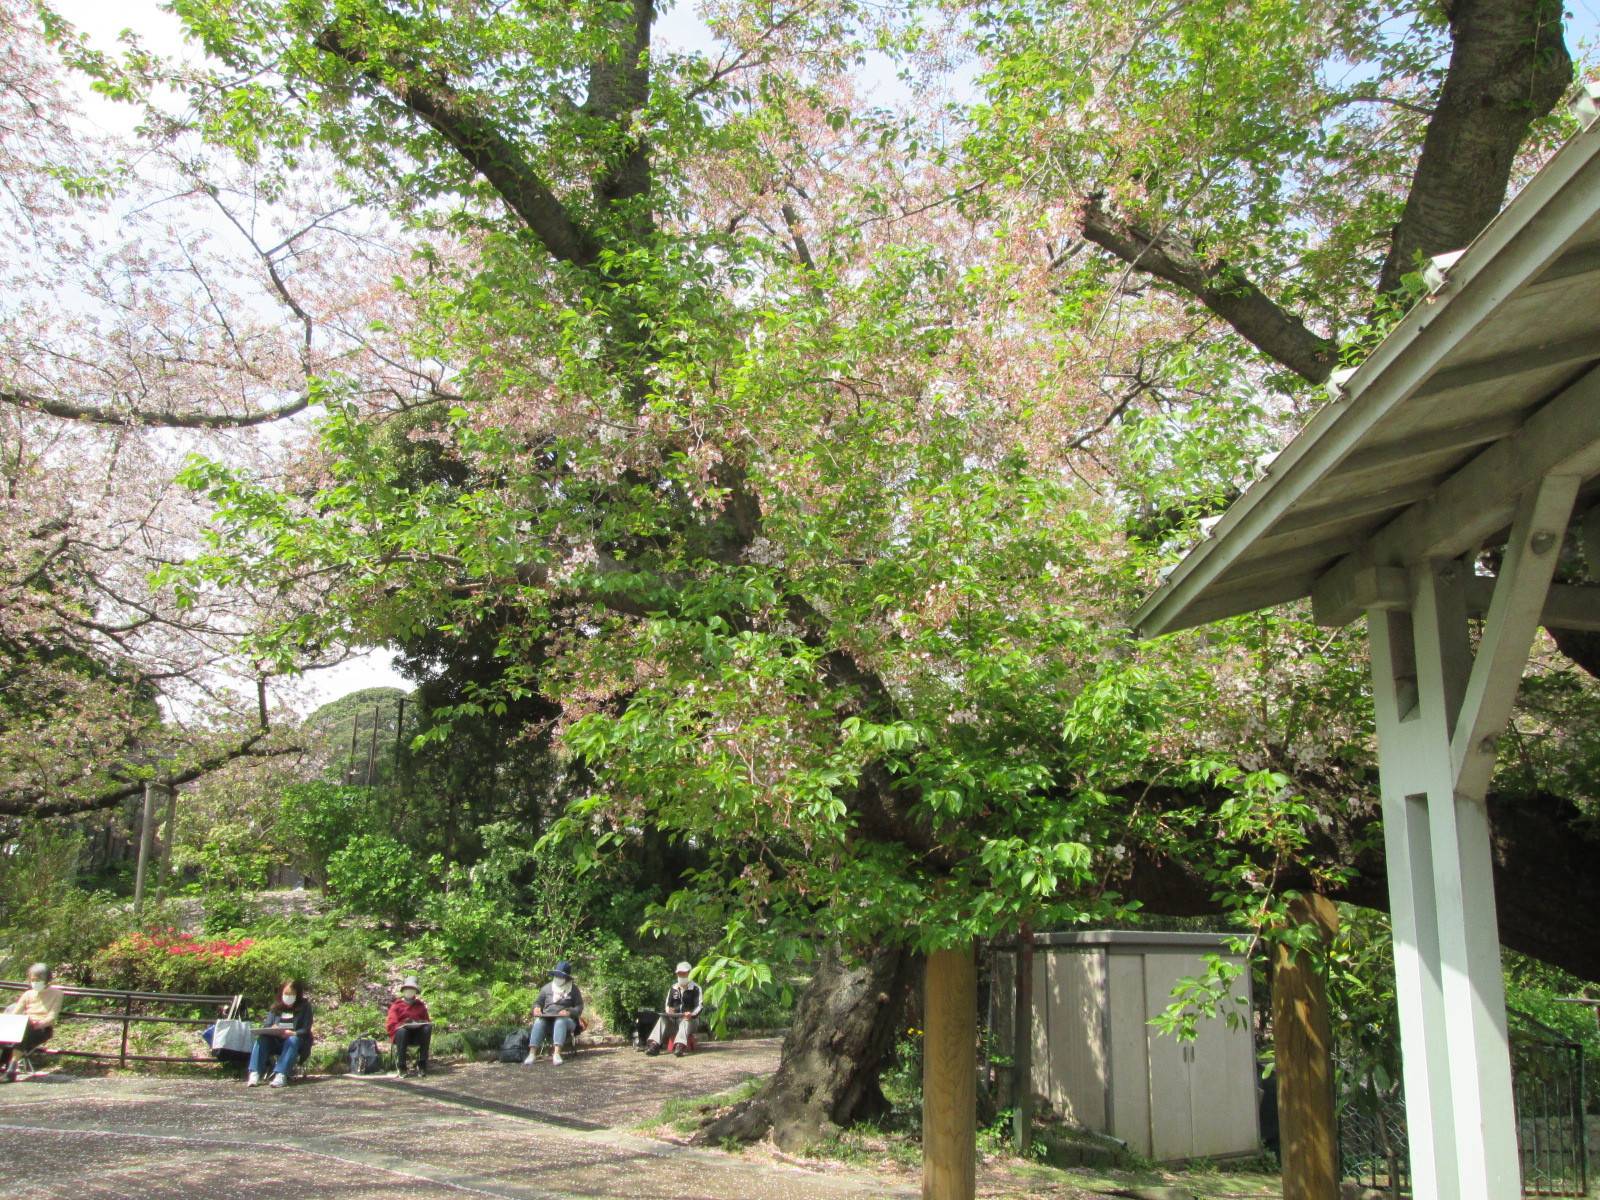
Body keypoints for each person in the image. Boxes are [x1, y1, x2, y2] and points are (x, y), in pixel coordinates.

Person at [1, 963, 64, 1082]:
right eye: (33, 980)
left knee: (23, 1033)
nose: (35, 982)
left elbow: (52, 1017)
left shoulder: (57, 994)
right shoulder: (28, 994)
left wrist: (39, 1024)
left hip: (42, 1029)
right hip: (24, 1026)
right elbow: (16, 1012)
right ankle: (9, 1069)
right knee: (17, 1030)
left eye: (38, 980)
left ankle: (11, 1070)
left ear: (47, 979)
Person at [248, 978, 313, 1088]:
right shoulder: (275, 1007)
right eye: (286, 994)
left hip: (295, 1042)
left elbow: (306, 1029)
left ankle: (281, 1074)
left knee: (293, 1040)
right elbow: (267, 1026)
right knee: (262, 1039)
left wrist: (293, 1033)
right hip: (277, 1041)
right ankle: (255, 1073)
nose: (288, 997)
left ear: (297, 994)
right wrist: (273, 1029)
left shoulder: (305, 1007)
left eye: (292, 994)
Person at [522, 962, 582, 1066]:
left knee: (560, 1021)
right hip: (548, 1020)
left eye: (561, 976)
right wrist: (536, 1008)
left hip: (567, 1021)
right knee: (539, 1022)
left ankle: (557, 1054)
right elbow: (537, 1003)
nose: (559, 978)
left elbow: (579, 1007)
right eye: (557, 975)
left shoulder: (574, 990)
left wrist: (569, 1012)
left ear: (567, 977)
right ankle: (532, 1053)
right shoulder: (546, 988)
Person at [645, 962, 702, 1058]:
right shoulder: (673, 988)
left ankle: (679, 1046)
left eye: (684, 973)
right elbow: (667, 1005)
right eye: (679, 973)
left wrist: (691, 1014)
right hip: (674, 1021)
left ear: (689, 973)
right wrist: (669, 1011)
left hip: (691, 1021)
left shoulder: (696, 988)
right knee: (662, 1018)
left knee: (685, 1020)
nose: (681, 976)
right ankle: (654, 1045)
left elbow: (700, 1006)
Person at [385, 976, 432, 1078]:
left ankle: (422, 1064)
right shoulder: (396, 1006)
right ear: (403, 991)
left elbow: (427, 1021)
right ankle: (402, 1066)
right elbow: (391, 1025)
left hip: (417, 1035)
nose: (409, 992)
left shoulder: (420, 1005)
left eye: (412, 990)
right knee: (402, 1031)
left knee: (427, 1028)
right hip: (402, 1036)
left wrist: (421, 1022)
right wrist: (403, 1024)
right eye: (407, 989)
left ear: (415, 992)